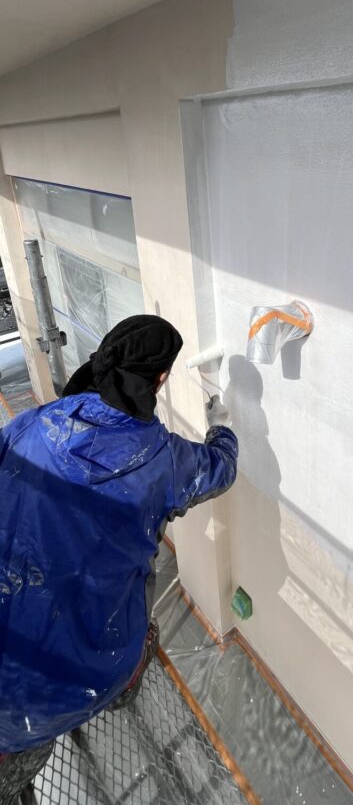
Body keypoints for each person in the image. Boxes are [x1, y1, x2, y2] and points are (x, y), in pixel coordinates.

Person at [0, 315, 236, 803]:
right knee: (130, 640)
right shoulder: (162, 461)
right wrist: (223, 428)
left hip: (11, 649)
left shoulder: (34, 424)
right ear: (160, 379)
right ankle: (119, 690)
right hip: (65, 690)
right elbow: (220, 469)